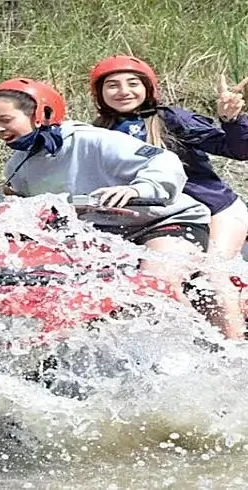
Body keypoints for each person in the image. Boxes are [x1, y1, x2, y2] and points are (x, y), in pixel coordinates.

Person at [0, 77, 240, 339]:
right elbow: (28, 206)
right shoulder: (18, 165)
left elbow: (164, 161)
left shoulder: (92, 140)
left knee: (157, 284)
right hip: (106, 233)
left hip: (166, 222)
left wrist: (138, 189)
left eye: (5, 120)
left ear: (43, 114)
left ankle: (215, 350)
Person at [88, 54, 248, 338]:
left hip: (216, 210)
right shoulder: (97, 132)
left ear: (148, 88)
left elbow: (238, 150)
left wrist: (231, 119)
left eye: (133, 83)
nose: (123, 91)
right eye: (112, 85)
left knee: (210, 272)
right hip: (159, 217)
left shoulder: (170, 119)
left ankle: (234, 349)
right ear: (100, 94)